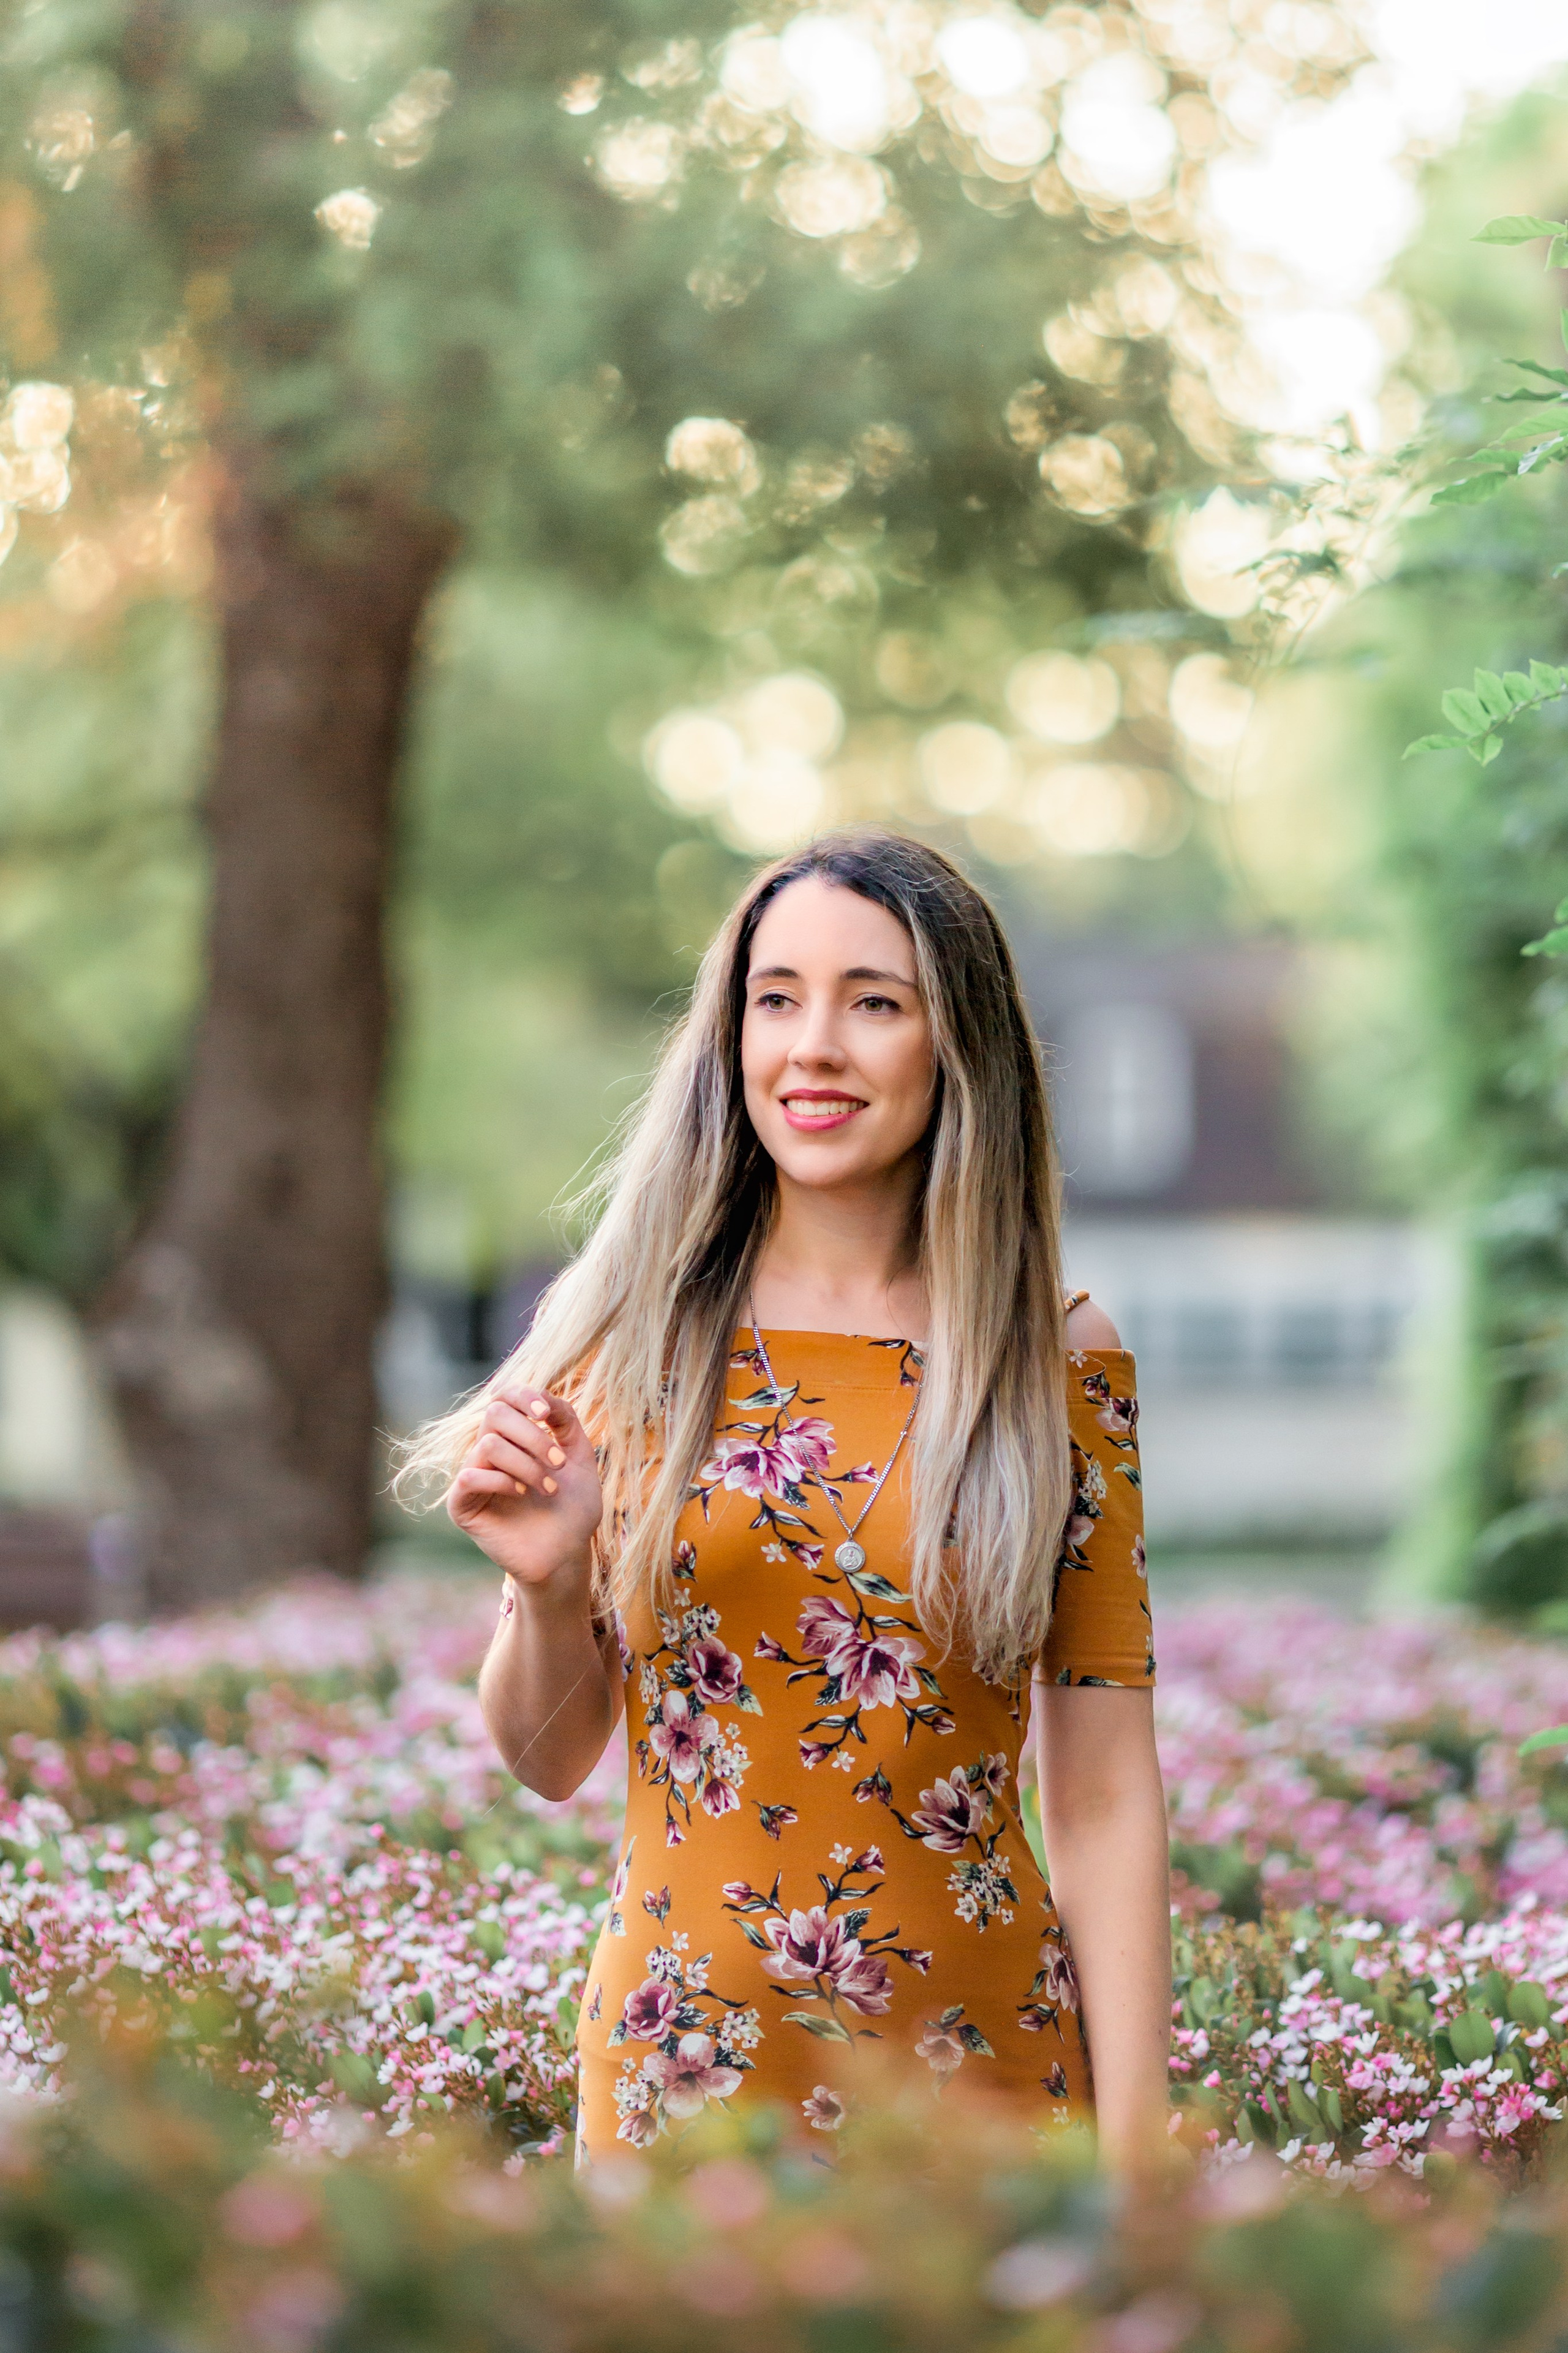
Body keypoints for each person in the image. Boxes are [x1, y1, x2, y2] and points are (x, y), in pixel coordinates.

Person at [401, 828, 1169, 2172]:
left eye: (872, 1000)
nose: (810, 1045)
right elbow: (549, 1758)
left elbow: (1102, 1793)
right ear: (730, 1035)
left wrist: (1138, 2169)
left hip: (986, 2083)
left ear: (957, 1043)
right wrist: (547, 1585)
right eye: (775, 998)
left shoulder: (1059, 1357)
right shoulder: (626, 1342)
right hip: (682, 2080)